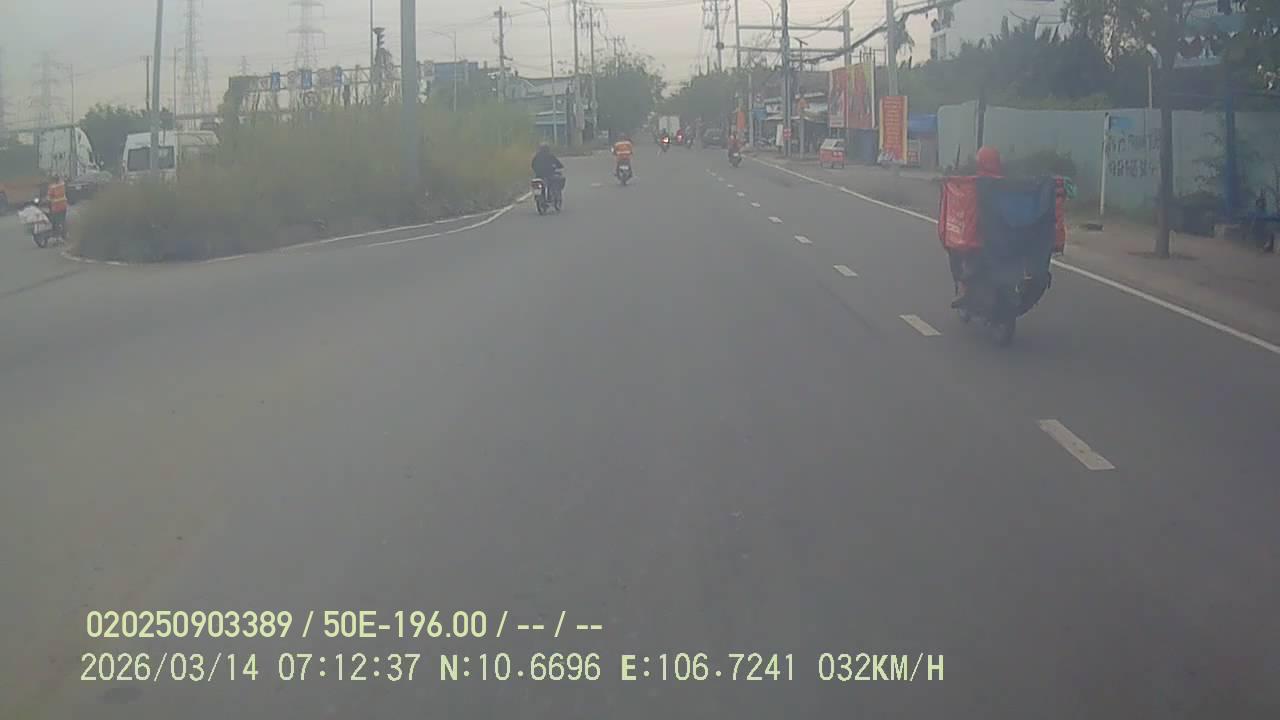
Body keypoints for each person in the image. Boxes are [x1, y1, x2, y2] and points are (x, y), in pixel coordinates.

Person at [950, 146, 1003, 308]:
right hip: (1005, 237)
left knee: (955, 249)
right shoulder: (1005, 183)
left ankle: (965, 290)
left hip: (979, 238)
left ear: (980, 162)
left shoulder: (972, 184)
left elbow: (964, 209)